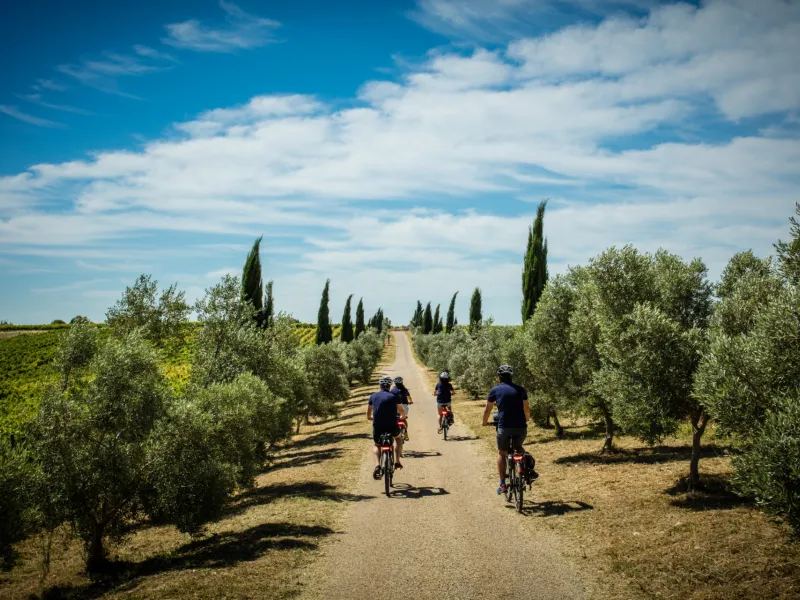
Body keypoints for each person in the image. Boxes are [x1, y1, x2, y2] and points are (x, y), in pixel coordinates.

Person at [481, 365, 537, 494]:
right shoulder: (521, 389)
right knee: (518, 448)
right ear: (511, 377)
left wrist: (485, 422)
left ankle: (502, 484)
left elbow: (487, 410)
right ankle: (528, 469)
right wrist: (526, 419)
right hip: (520, 427)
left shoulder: (495, 390)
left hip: (504, 427)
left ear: (499, 378)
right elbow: (527, 409)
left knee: (502, 452)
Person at [368, 376, 407, 479]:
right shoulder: (394, 396)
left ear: (380, 385)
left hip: (378, 426)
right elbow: (401, 409)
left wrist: (372, 417)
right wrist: (403, 416)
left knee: (377, 444)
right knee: (398, 438)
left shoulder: (373, 396)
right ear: (389, 386)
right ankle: (397, 461)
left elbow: (368, 415)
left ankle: (377, 465)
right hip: (392, 425)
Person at [391, 376, 413, 441]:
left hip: (395, 406)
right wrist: (411, 401)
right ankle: (405, 432)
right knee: (404, 419)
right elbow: (409, 397)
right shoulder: (405, 389)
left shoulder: (393, 390)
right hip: (404, 406)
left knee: (395, 419)